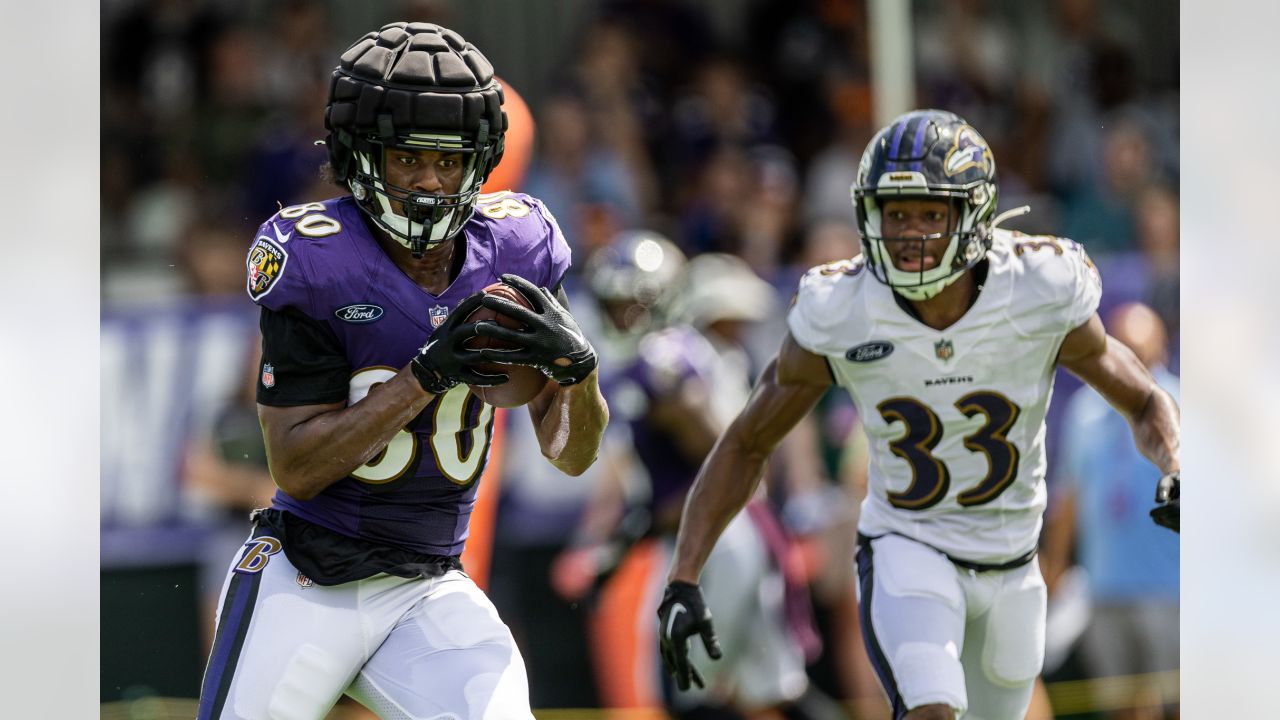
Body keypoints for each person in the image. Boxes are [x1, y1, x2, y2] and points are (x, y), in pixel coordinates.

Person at [657, 109, 1180, 720]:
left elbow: (1143, 398)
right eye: (896, 213)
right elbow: (748, 441)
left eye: (931, 213)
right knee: (931, 709)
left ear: (974, 214)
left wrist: (1177, 461)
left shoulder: (1037, 288)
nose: (910, 232)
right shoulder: (843, 307)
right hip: (910, 545)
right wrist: (684, 575)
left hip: (1013, 562)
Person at [196, 22, 609, 720]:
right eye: (409, 158)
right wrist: (427, 374)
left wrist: (579, 373)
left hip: (428, 588)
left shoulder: (517, 247)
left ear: (481, 161)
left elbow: (572, 455)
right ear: (361, 157)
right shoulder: (317, 260)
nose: (429, 181)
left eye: (449, 162)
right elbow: (295, 466)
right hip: (307, 578)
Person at [1042, 302, 1180, 719]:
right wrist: (1055, 572)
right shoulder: (1085, 411)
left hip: (1170, 589)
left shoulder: (1182, 408)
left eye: (1145, 353)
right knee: (1118, 707)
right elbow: (1070, 499)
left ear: (1164, 350)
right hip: (1105, 590)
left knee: (1178, 702)